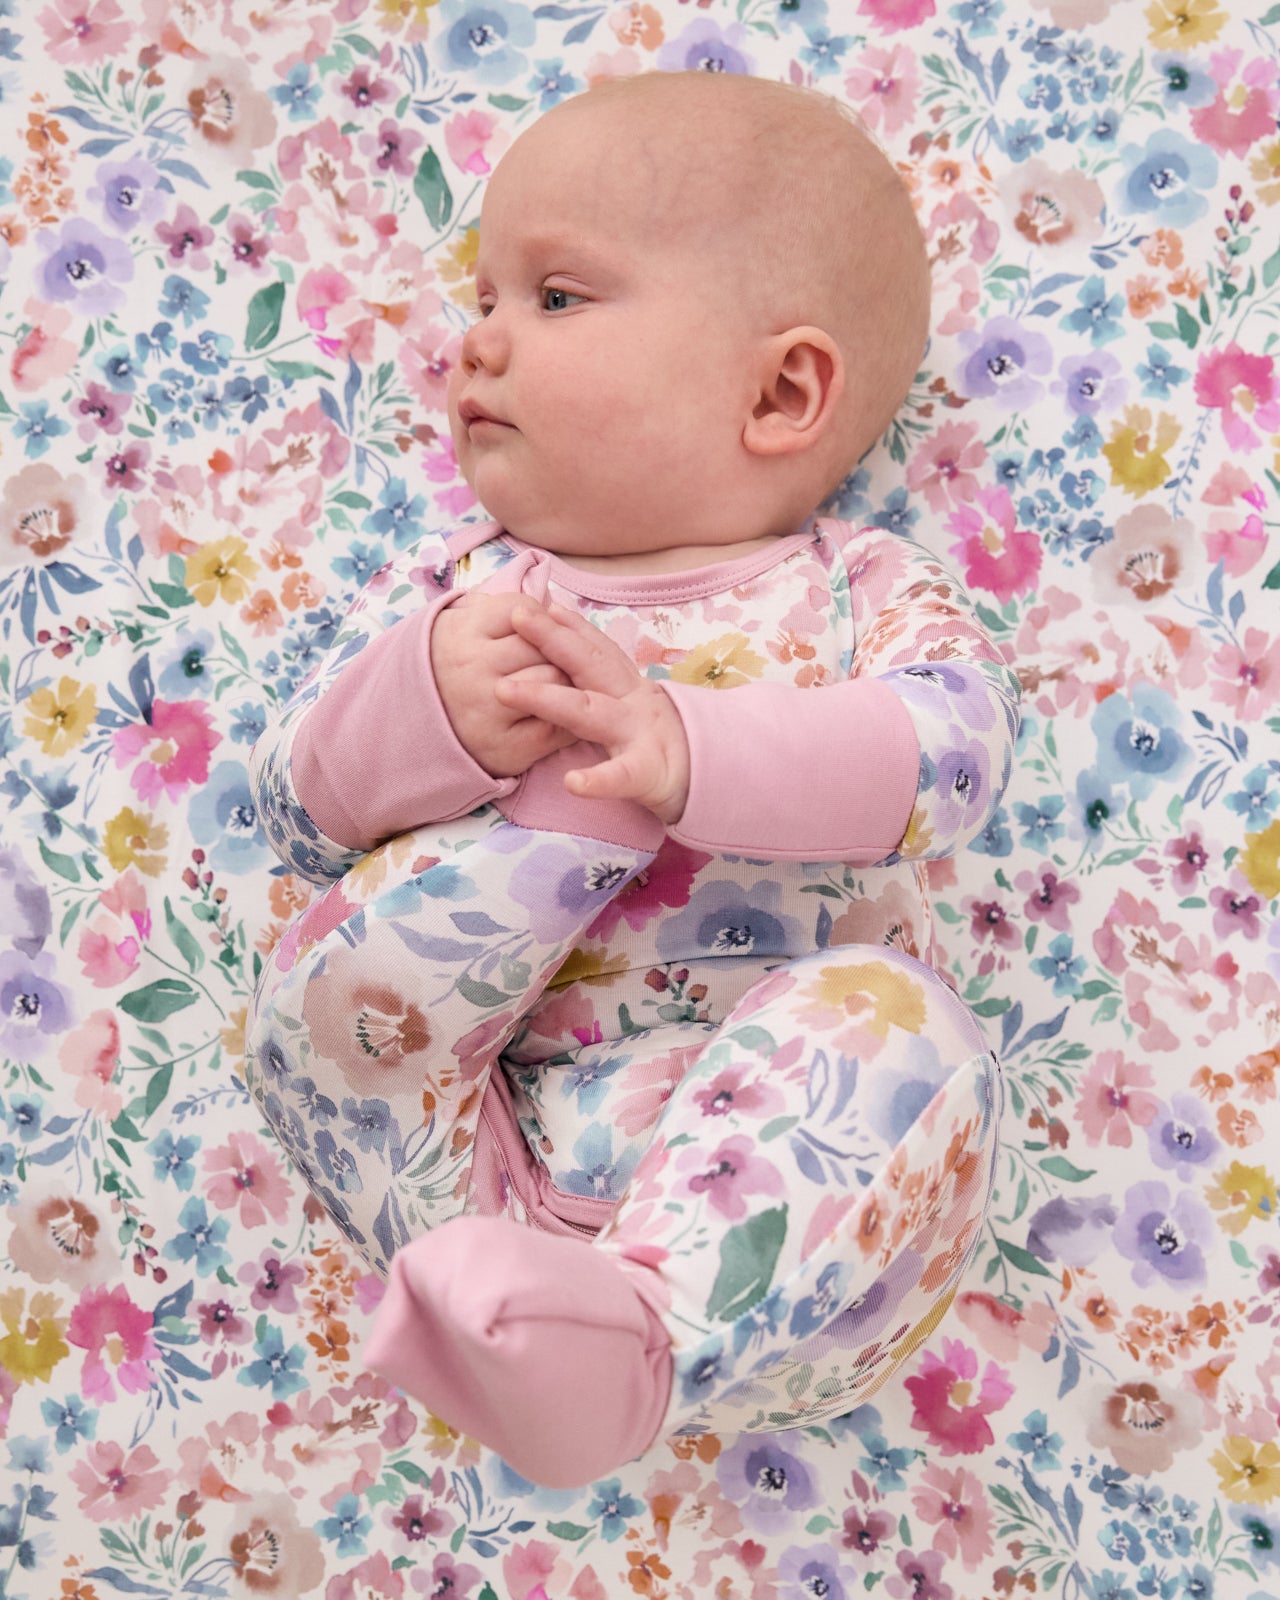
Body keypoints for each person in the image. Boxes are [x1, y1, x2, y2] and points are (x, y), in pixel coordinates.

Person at [246, 70, 1020, 1489]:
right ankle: (533, 1317)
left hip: (772, 1242)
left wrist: (688, 752)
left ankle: (632, 1343)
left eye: (554, 299)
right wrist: (435, 710)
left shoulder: (853, 593)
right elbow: (292, 817)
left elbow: (958, 748)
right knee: (328, 974)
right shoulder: (472, 600)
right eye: (480, 298)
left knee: (906, 1033)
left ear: (781, 391)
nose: (473, 345)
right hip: (458, 1168)